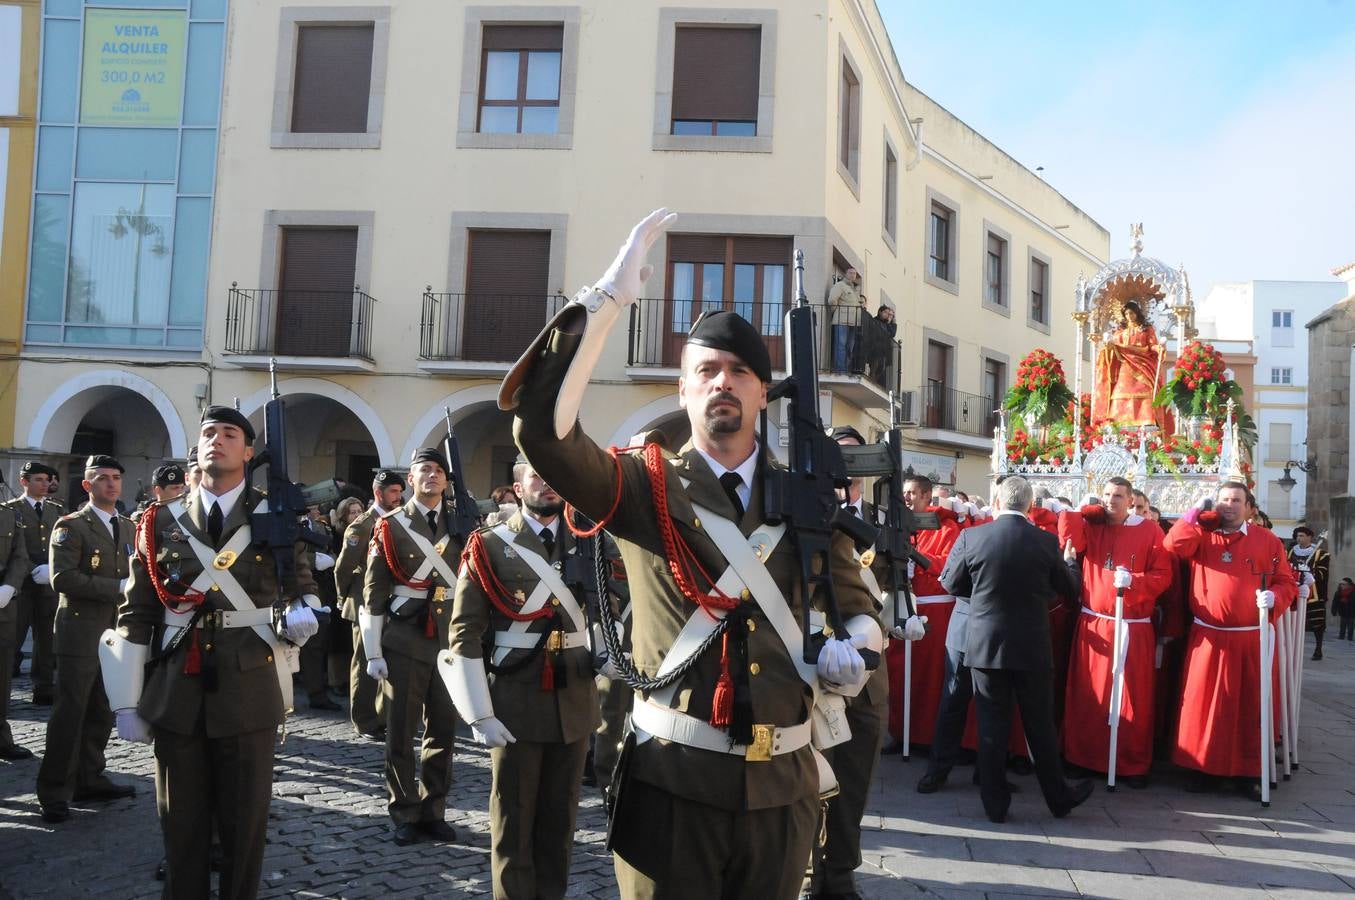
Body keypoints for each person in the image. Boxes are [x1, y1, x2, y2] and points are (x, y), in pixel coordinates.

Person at [499, 208, 877, 899]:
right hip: (672, 785)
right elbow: (544, 438)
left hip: (782, 789)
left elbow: (855, 606)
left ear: (764, 392)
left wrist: (854, 652)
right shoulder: (642, 485)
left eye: (739, 371)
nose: (721, 382)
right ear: (682, 388)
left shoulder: (805, 497)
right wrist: (606, 303)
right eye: (705, 370)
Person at [105, 406, 321, 897]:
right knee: (180, 825)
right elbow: (136, 613)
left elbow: (301, 585)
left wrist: (305, 611)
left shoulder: (277, 515)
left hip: (250, 688)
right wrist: (126, 699)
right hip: (176, 688)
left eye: (230, 434)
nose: (217, 440)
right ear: (196, 450)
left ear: (249, 452)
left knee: (245, 829)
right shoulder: (160, 520)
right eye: (208, 433)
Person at [446, 459, 600, 899]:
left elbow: (611, 605)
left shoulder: (589, 541)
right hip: (514, 701)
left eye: (553, 475)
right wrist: (478, 712)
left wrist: (612, 654)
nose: (547, 483)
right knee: (514, 819)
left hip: (575, 697)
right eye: (536, 475)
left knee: (560, 822)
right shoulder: (488, 544)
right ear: (517, 487)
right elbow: (464, 632)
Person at [938, 475, 1093, 823]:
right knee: (1039, 725)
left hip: (985, 644)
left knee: (992, 725)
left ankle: (994, 805)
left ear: (996, 502)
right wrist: (1070, 563)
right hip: (1031, 646)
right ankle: (1058, 798)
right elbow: (1067, 590)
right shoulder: (1045, 542)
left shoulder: (972, 536)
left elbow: (951, 583)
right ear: (1030, 506)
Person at [804, 425, 899, 900]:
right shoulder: (803, 510)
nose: (845, 469)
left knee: (854, 784)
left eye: (853, 459)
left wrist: (902, 613)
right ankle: (804, 876)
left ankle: (839, 878)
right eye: (835, 458)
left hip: (867, 674)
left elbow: (892, 588)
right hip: (814, 671)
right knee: (811, 781)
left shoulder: (884, 519)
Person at [1163, 482, 1299, 795]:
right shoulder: (1200, 535)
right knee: (1203, 705)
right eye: (1223, 499)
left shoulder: (1267, 541)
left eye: (1236, 500)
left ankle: (1248, 772)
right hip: (1208, 637)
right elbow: (1172, 546)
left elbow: (1286, 582)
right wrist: (1194, 514)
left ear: (1249, 507)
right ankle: (1202, 768)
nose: (1228, 505)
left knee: (1249, 706)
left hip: (1249, 638)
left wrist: (1274, 598)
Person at [361, 448, 464, 846]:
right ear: (411, 478)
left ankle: (433, 808)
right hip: (404, 639)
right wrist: (373, 650)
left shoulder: (462, 523)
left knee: (443, 731)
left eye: (439, 470)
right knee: (401, 730)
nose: (433, 476)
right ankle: (403, 808)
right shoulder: (391, 526)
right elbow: (375, 591)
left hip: (448, 640)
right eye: (425, 469)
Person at [36, 455, 137, 823]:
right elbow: (63, 579)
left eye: (115, 477)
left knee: (100, 710)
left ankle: (89, 778)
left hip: (114, 634)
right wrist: (119, 587)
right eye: (102, 478)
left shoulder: (127, 527)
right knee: (70, 713)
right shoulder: (71, 526)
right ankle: (53, 792)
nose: (111, 484)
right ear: (87, 485)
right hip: (79, 632)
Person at [1055, 478, 1173, 787]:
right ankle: (1082, 758)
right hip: (1095, 623)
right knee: (1088, 694)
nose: (1111, 500)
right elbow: (1067, 539)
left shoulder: (1150, 531)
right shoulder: (1093, 525)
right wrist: (1083, 510)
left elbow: (1163, 576)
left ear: (1130, 499)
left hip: (1132, 628)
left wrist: (1135, 582)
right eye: (1106, 495)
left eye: (1118, 496)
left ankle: (1130, 764)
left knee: (1132, 697)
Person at [883, 473, 962, 753]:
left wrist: (920, 561)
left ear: (928, 495)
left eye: (913, 493)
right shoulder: (899, 524)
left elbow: (951, 561)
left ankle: (927, 737)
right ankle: (900, 732)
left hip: (934, 609)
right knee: (900, 673)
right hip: (904, 604)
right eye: (905, 493)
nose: (907, 497)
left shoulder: (946, 525)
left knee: (929, 677)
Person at [335, 470, 404, 741]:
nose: (399, 497)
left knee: (387, 661)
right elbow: (344, 566)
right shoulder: (363, 525)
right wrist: (344, 597)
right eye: (393, 492)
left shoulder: (398, 520)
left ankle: (382, 715)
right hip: (364, 601)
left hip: (392, 601)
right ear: (378, 493)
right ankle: (363, 720)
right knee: (364, 662)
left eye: (400, 491)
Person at [6, 461, 62, 705]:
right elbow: (11, 550)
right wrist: (31, 569)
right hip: (20, 586)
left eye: (47, 480)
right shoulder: (11, 510)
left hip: (47, 585)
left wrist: (51, 568)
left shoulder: (56, 511)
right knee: (12, 637)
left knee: (47, 639)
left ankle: (44, 686)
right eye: (38, 479)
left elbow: (60, 545)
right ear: (24, 481)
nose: (45, 484)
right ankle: (4, 683)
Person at [1092, 300, 1164, 428]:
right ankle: (1119, 421)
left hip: (1144, 364)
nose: (1129, 316)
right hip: (1126, 363)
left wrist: (1159, 348)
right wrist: (1109, 347)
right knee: (1122, 388)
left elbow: (1152, 345)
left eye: (1131, 313)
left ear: (1137, 313)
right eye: (1126, 314)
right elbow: (1114, 347)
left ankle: (1146, 419)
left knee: (1145, 388)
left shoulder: (1146, 329)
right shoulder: (1120, 331)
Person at [0, 492, 33, 760]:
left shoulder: (9, 515)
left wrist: (9, 586)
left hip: (3, 605)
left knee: (1, 676)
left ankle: (1, 736)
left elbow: (20, 556)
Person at [300, 506, 338, 711]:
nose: (313, 511)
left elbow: (328, 548)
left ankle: (317, 693)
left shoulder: (320, 527)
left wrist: (329, 558)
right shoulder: (284, 524)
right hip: (292, 587)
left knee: (316, 643)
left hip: (319, 588)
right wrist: (314, 561)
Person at [1287, 526, 1328, 661]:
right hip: (1295, 590)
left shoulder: (1320, 553)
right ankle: (1291, 648)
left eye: (1302, 536)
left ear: (1310, 537)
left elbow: (1323, 573)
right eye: (1298, 536)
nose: (1299, 538)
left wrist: (1309, 570)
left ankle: (1318, 649)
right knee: (1293, 621)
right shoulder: (1292, 551)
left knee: (1317, 623)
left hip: (1314, 593)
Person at [827, 268, 865, 373]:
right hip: (841, 320)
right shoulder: (840, 285)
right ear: (845, 274)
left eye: (855, 274)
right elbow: (832, 300)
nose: (853, 275)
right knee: (841, 346)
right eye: (850, 273)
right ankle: (840, 370)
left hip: (854, 322)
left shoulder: (855, 289)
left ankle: (845, 369)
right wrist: (836, 311)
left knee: (850, 347)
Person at [862, 302, 896, 387]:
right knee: (874, 367)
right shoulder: (874, 321)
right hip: (875, 350)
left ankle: (875, 382)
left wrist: (890, 322)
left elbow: (892, 333)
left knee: (882, 368)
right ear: (880, 312)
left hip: (883, 351)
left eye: (888, 314)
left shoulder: (886, 324)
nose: (887, 315)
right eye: (885, 313)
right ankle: (872, 383)